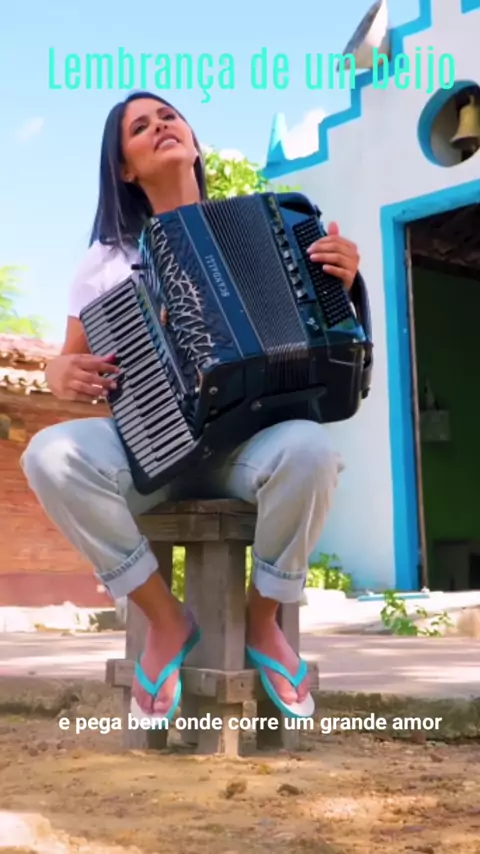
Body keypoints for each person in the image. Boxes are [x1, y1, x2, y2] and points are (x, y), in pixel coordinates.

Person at [20, 91, 361, 724]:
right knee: (48, 455)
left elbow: (332, 335)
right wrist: (58, 371)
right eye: (140, 127)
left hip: (245, 448)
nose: (160, 127)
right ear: (125, 169)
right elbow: (69, 368)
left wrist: (342, 280)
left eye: (169, 117)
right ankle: (166, 620)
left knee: (312, 450)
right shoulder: (105, 261)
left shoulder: (272, 225)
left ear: (194, 141)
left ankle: (262, 621)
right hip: (151, 451)